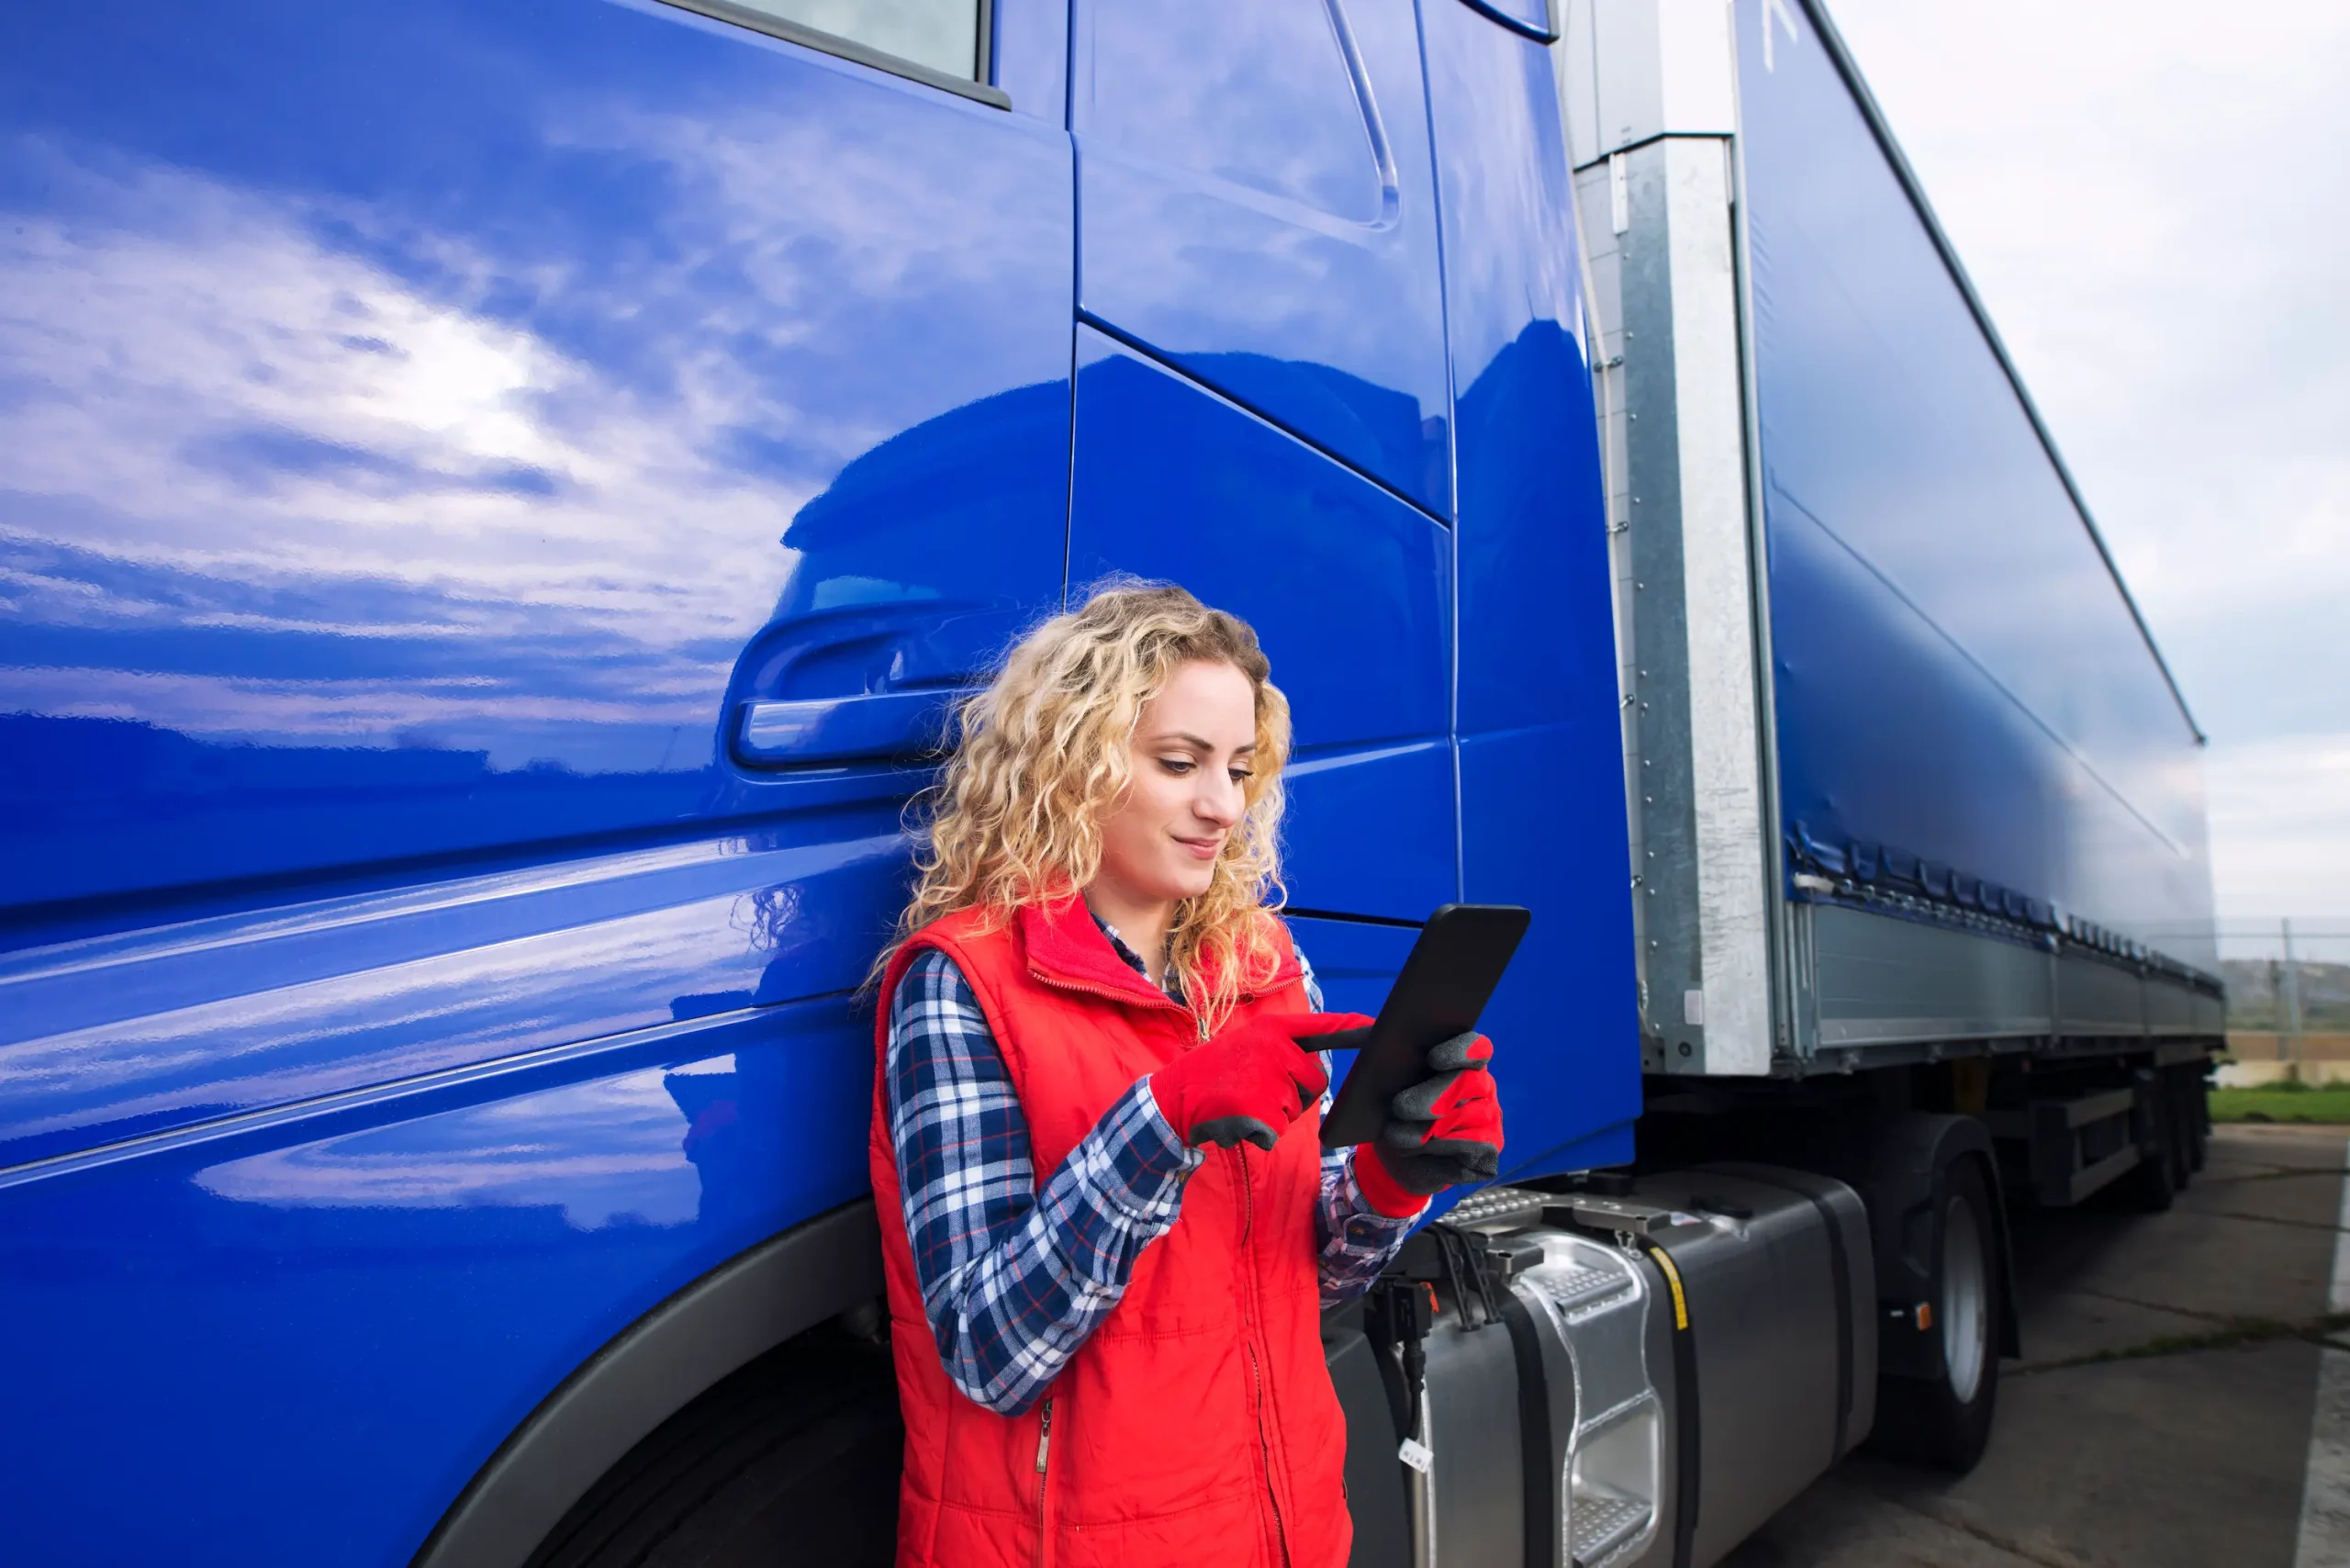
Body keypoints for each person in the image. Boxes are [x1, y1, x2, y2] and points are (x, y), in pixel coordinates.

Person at [867, 582, 1505, 1568]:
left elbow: (1314, 1279)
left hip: (1282, 1531)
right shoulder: (965, 983)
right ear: (1071, 763)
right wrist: (1159, 1123)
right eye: (1179, 763)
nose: (1221, 803)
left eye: (1240, 768)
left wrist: (1390, 1179)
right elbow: (989, 1352)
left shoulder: (1264, 966)